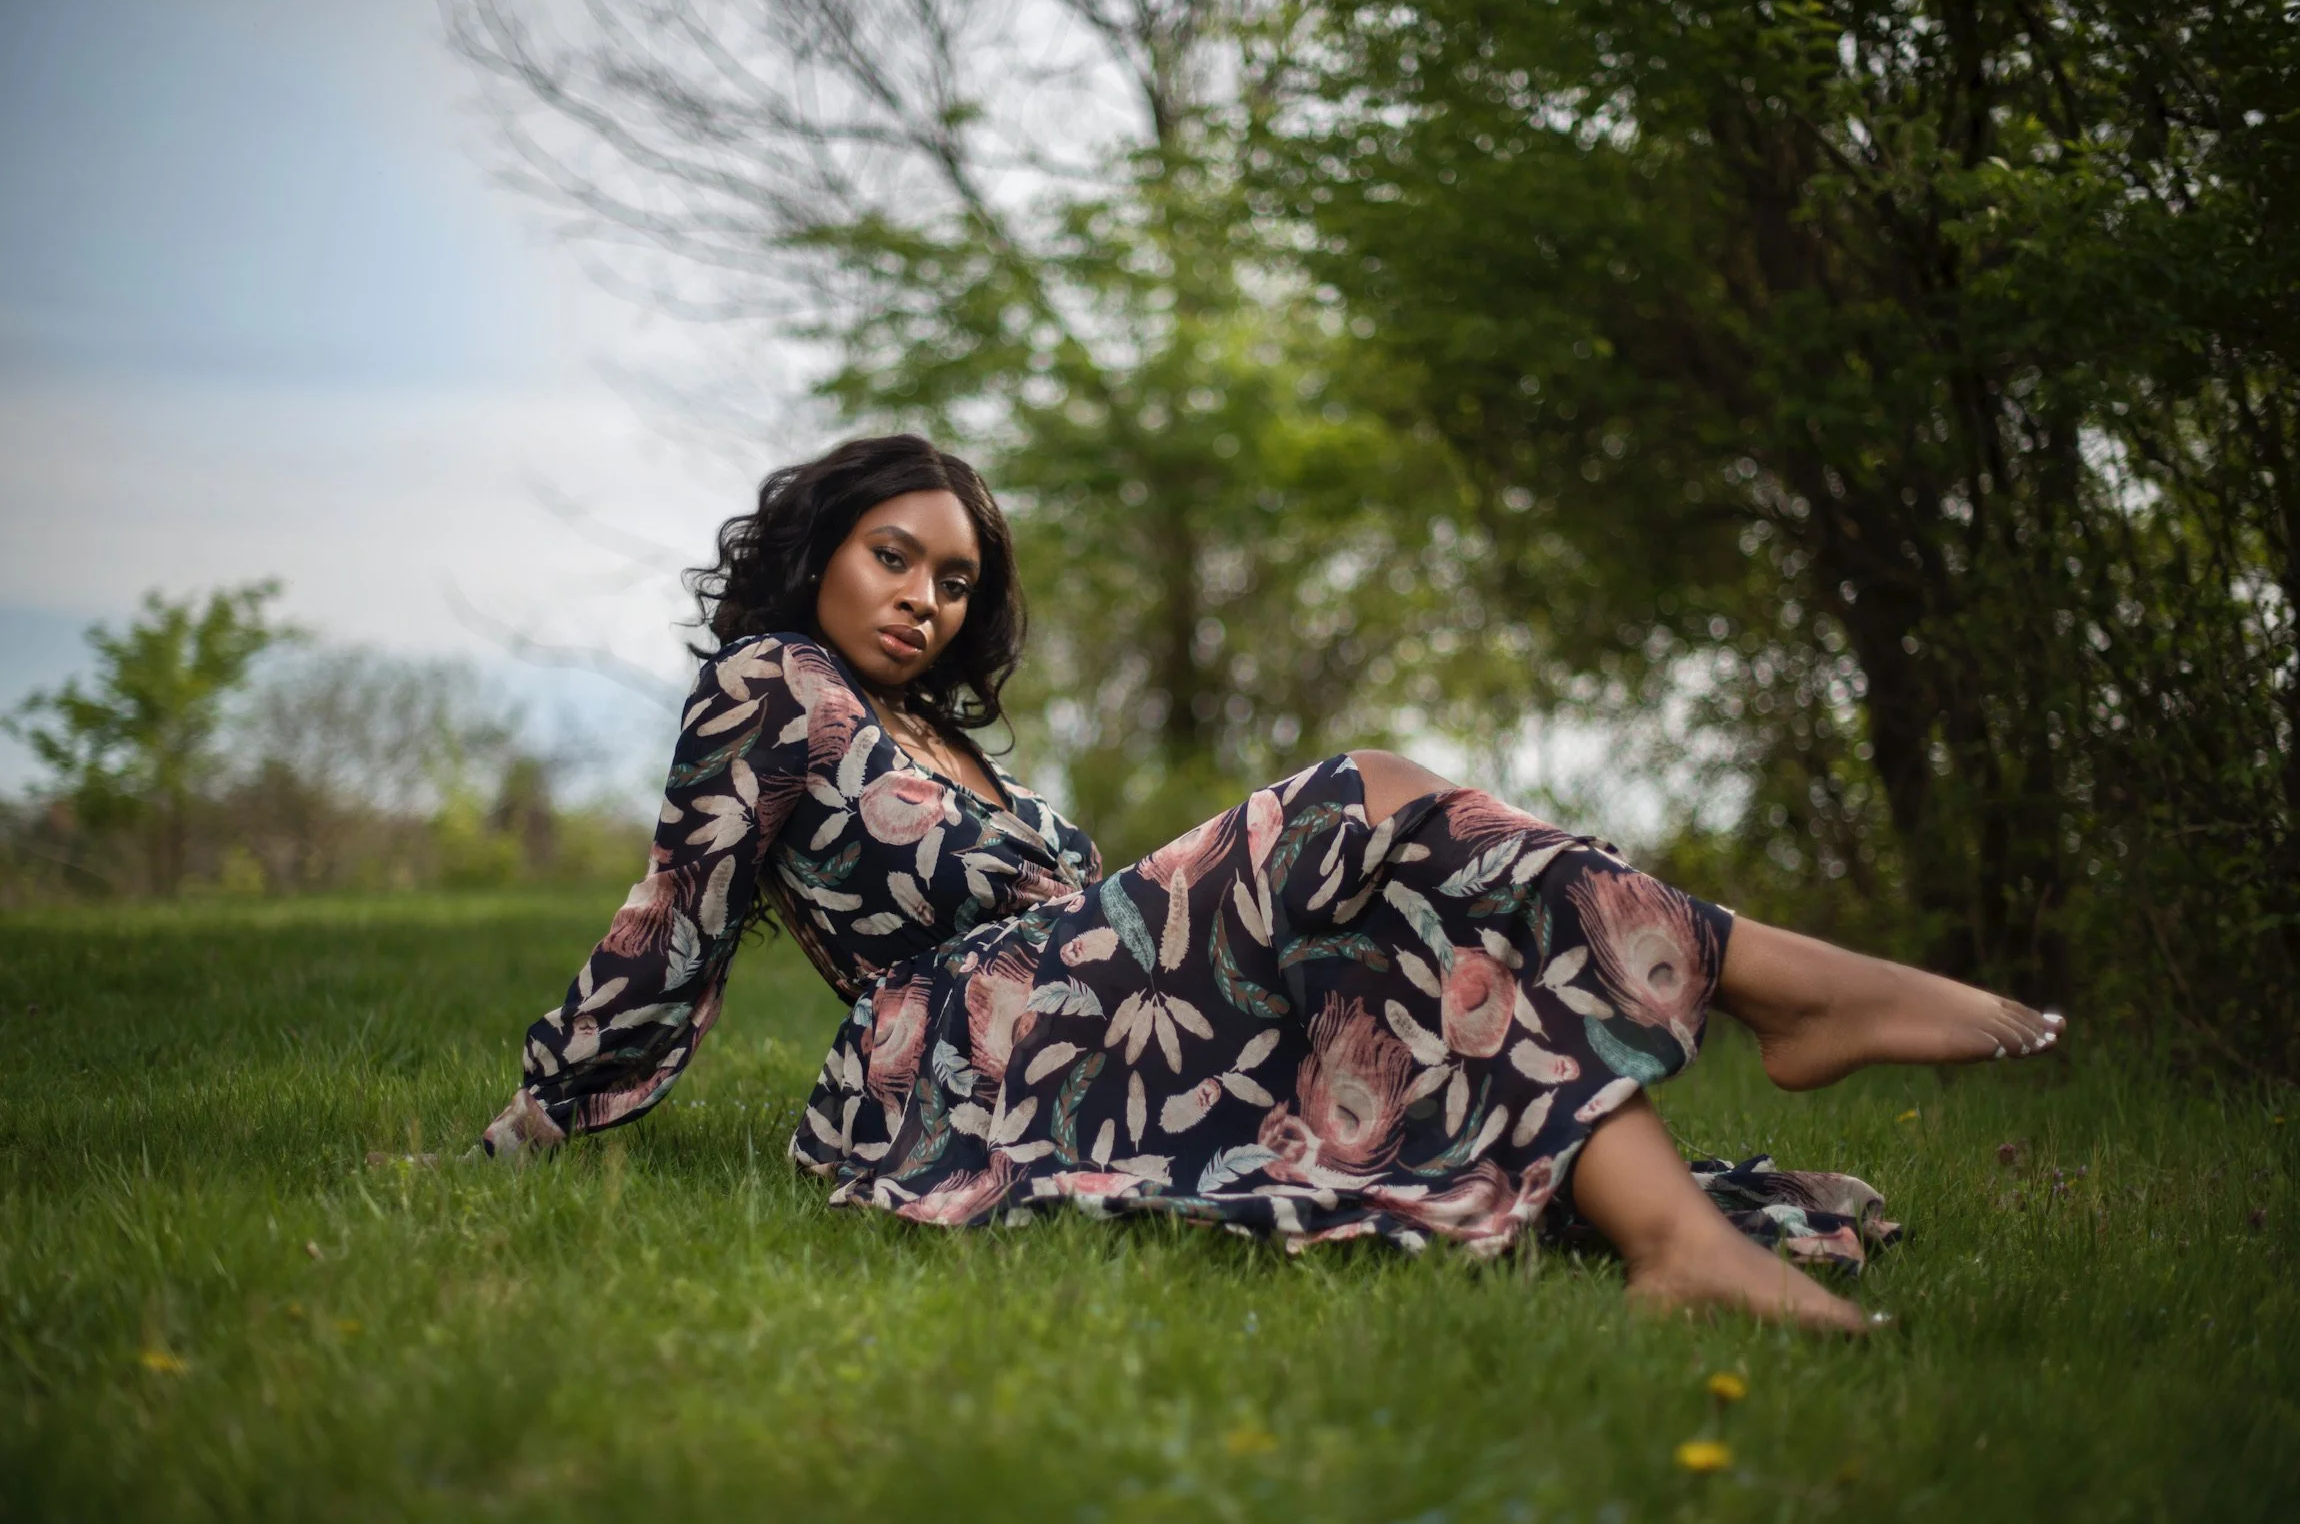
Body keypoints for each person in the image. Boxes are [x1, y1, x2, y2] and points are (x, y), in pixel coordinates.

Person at [480, 433, 2062, 1334]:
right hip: (960, 1050)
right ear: (820, 544)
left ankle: (1680, 1245)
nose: (925, 600)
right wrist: (539, 1115)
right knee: (1367, 793)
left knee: (1401, 920)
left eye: (955, 580)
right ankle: (1772, 980)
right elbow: (672, 918)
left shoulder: (947, 743)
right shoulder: (772, 687)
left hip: (1086, 1011)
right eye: (895, 555)